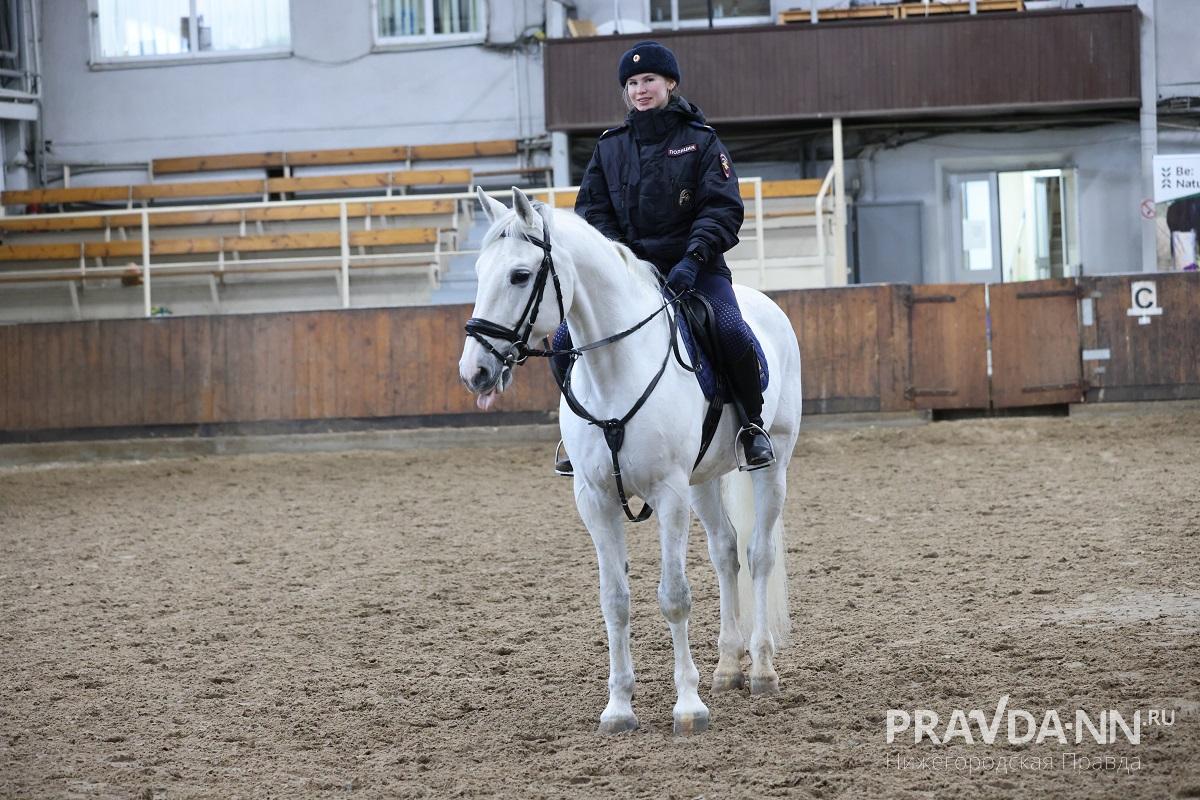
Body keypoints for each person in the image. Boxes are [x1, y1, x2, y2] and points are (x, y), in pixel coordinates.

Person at [554, 40, 773, 476]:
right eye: (632, 83)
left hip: (695, 269)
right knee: (562, 340)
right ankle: (577, 430)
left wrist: (692, 261)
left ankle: (751, 426)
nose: (640, 89)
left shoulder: (701, 142)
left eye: (649, 80)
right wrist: (620, 258)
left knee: (730, 330)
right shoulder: (609, 147)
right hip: (630, 276)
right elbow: (592, 212)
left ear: (670, 84)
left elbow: (722, 209)